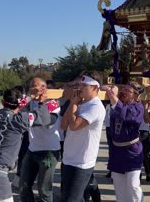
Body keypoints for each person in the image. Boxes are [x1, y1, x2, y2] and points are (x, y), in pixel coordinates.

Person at [0, 87, 60, 202]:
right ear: (20, 103)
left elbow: (16, 107)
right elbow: (47, 118)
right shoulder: (19, 120)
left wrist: (30, 97)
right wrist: (44, 102)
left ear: (3, 102)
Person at [60, 71, 106, 202]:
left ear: (95, 88)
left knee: (71, 199)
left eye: (84, 86)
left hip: (81, 163)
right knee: (68, 197)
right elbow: (63, 125)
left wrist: (74, 103)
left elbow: (74, 126)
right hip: (68, 159)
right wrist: (72, 103)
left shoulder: (96, 106)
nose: (80, 88)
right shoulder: (80, 103)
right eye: (80, 85)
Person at [19, 78, 62, 202]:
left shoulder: (53, 104)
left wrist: (42, 104)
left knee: (44, 191)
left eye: (35, 86)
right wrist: (28, 99)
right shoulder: (31, 101)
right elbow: (17, 111)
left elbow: (48, 122)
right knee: (23, 187)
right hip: (32, 149)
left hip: (48, 152)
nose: (32, 88)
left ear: (44, 88)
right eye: (30, 85)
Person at [105, 83, 145, 201]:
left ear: (135, 95)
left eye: (128, 91)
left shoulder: (138, 107)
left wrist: (113, 96)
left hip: (132, 150)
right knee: (119, 186)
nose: (124, 92)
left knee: (133, 185)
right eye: (124, 89)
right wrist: (107, 89)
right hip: (116, 150)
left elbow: (126, 114)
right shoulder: (116, 103)